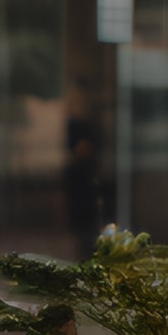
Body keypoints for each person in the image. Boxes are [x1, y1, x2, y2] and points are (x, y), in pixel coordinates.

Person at [63, 77, 102, 256]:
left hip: (87, 175)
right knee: (81, 219)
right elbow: (77, 149)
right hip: (78, 175)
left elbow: (86, 148)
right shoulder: (72, 123)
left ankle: (88, 248)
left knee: (88, 218)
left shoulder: (87, 122)